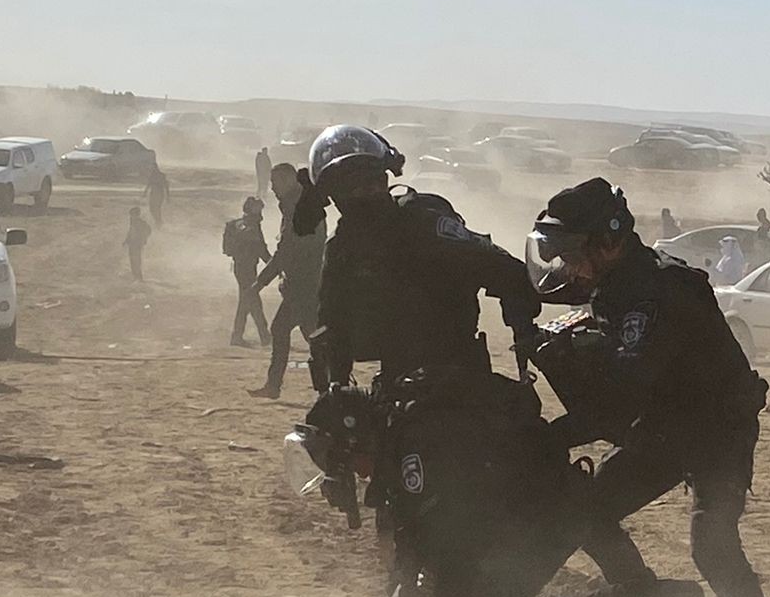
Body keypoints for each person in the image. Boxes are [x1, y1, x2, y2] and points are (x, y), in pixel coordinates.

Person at [527, 178, 770, 597]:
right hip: (668, 425)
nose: (569, 270)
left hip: (718, 429)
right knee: (586, 511)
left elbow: (617, 402)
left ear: (608, 242)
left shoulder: (655, 293)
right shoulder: (620, 281)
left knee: (712, 546)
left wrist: (551, 434)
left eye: (574, 255)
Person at [293, 124, 538, 387]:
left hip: (462, 383)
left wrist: (524, 337)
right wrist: (336, 388)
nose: (364, 193)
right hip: (397, 384)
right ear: (335, 195)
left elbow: (509, 274)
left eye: (371, 183)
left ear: (385, 179)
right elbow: (331, 327)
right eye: (352, 188)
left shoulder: (425, 226)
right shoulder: (342, 249)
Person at [251, 163, 326, 400]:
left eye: (275, 183)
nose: (272, 189)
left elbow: (287, 251)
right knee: (309, 335)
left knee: (307, 335)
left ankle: (328, 388)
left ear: (287, 181)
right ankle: (325, 387)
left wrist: (260, 282)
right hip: (304, 283)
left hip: (304, 284)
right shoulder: (300, 205)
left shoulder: (298, 208)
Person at [221, 196, 270, 345]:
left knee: (247, 301)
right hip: (248, 269)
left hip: (240, 267)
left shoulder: (236, 225)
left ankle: (243, 336)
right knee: (252, 301)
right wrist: (275, 265)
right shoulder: (252, 226)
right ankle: (263, 336)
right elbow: (261, 249)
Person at [124, 206, 152, 281]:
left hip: (137, 244)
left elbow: (149, 230)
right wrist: (126, 241)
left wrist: (143, 239)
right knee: (133, 260)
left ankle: (138, 277)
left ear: (137, 215)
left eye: (133, 214)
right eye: (131, 215)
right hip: (132, 243)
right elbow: (130, 232)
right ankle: (135, 276)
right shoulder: (133, 221)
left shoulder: (140, 222)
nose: (131, 216)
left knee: (136, 260)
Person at [142, 161, 171, 228]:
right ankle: (158, 221)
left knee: (157, 209)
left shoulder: (162, 175)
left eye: (152, 167)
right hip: (153, 194)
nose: (151, 169)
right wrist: (145, 193)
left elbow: (166, 186)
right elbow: (148, 185)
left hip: (160, 194)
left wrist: (168, 197)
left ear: (156, 167)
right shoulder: (152, 175)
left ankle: (158, 222)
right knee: (152, 209)